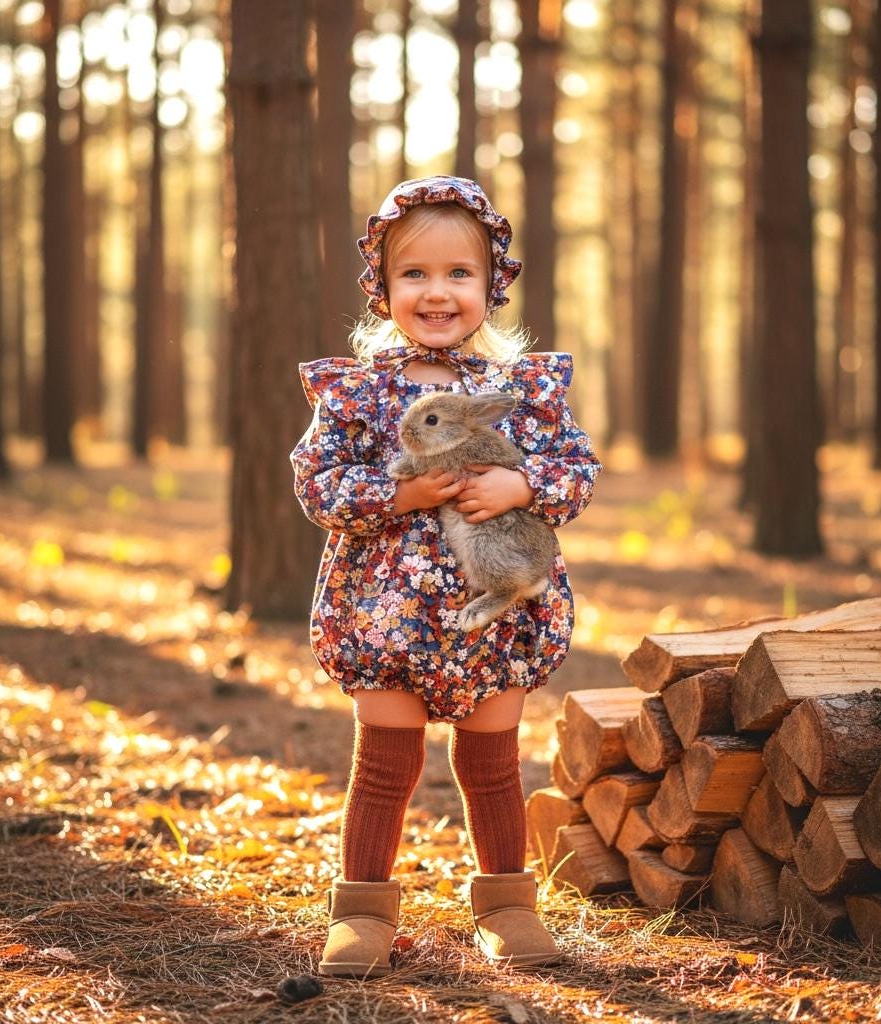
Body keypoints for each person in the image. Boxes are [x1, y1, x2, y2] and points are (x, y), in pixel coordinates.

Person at [290, 176, 601, 977]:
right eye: (415, 275)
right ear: (382, 288)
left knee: (493, 759)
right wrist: (404, 493)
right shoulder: (357, 392)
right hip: (384, 614)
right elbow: (317, 485)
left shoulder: (522, 393)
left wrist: (525, 485)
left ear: (491, 284)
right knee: (385, 763)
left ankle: (506, 903)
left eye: (459, 274)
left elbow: (579, 468)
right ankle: (361, 908)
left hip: (492, 616)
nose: (437, 292)